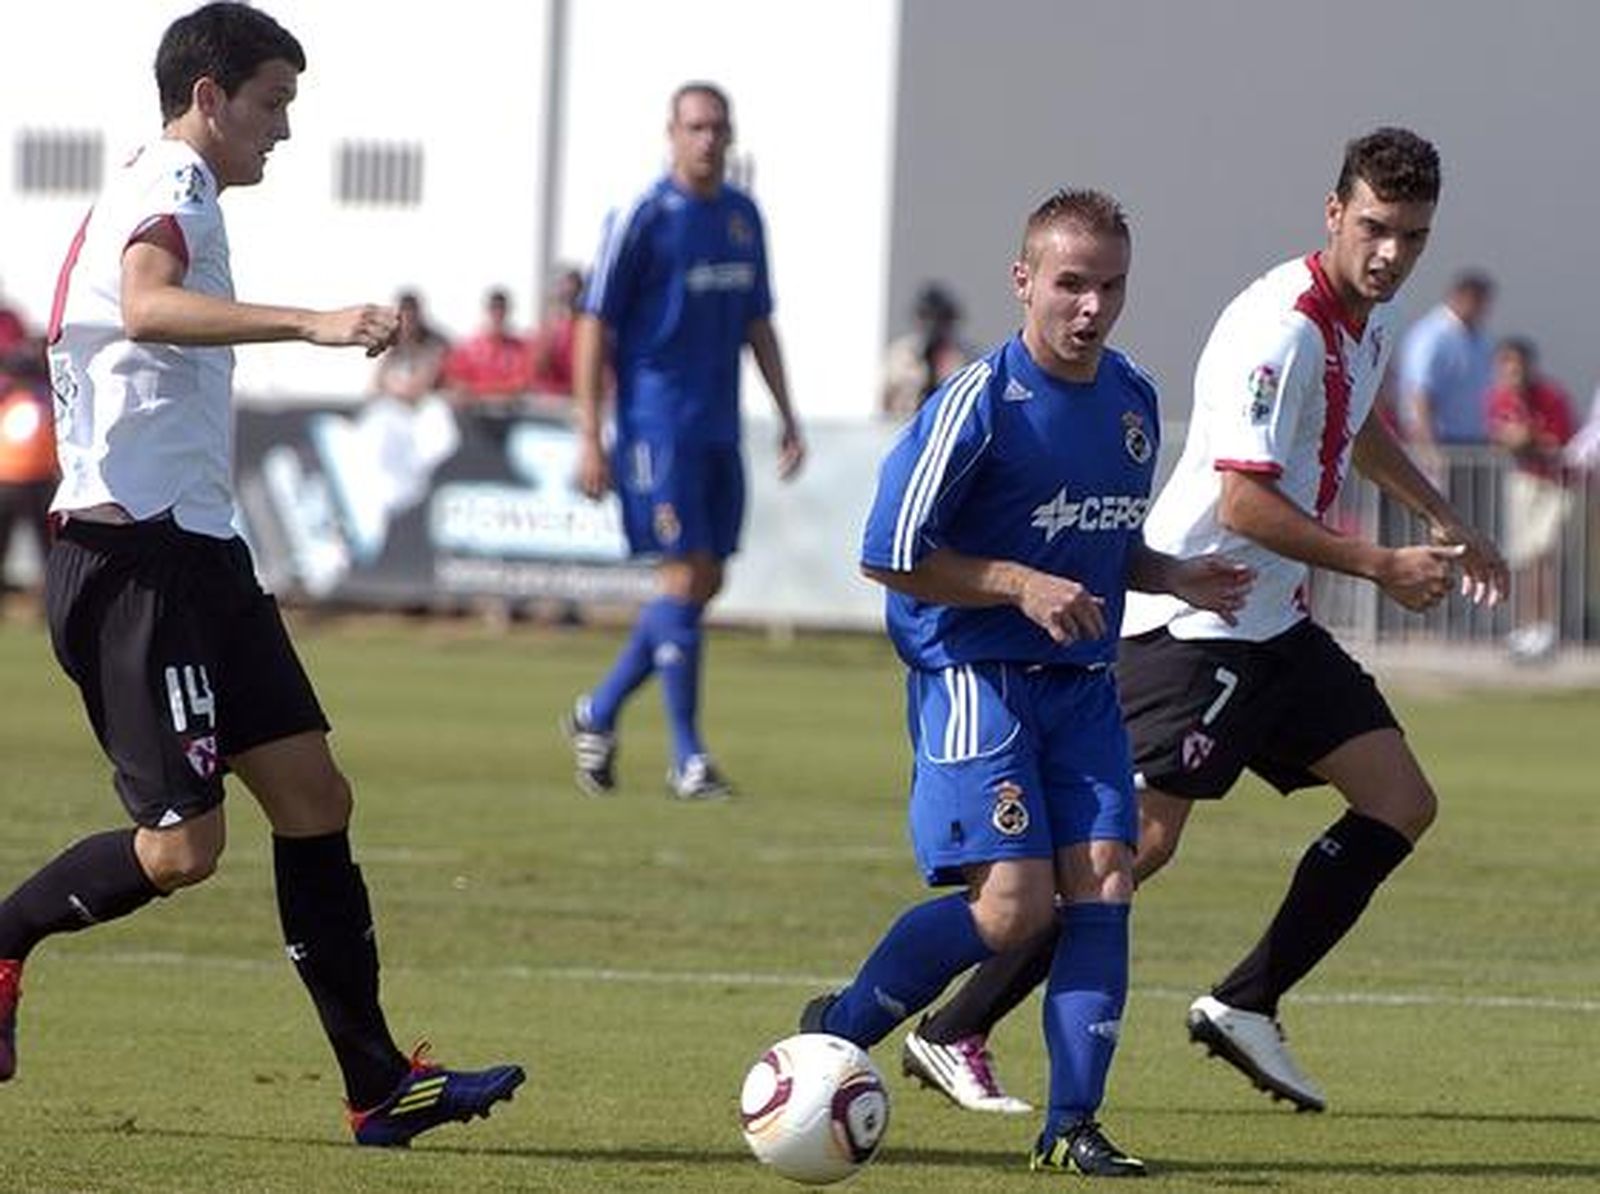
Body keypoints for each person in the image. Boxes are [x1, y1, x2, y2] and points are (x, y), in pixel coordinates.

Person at [903, 128, 1507, 1120]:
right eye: (1373, 228)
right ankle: (953, 1027)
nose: (1390, 252)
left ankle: (1245, 1001)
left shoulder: (1365, 320)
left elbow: (1352, 427)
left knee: (1398, 798)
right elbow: (1240, 507)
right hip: (1196, 618)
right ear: (1332, 214)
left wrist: (1444, 520)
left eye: (1411, 235)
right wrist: (1380, 565)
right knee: (1129, 847)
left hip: (1269, 623)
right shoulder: (1280, 326)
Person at [0, 2, 523, 1146]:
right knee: (186, 851)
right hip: (132, 559)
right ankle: (2, 939)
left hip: (198, 552)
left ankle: (379, 1086)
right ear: (208, 97)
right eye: (272, 103)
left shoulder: (173, 185)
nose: (281, 131)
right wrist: (315, 323)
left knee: (314, 800)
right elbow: (146, 302)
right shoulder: (173, 181)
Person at [799, 188, 1252, 1178]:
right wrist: (1014, 584)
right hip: (974, 673)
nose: (1091, 306)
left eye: (1111, 286)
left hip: (1080, 684)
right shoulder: (976, 402)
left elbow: (1093, 540)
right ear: (1023, 282)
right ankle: (834, 1030)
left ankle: (1071, 1125)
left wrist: (1170, 574)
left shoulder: (1130, 400)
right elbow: (887, 554)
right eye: (1071, 283)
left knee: (1104, 881)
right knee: (1012, 909)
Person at [563, 81, 804, 800]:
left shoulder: (741, 216)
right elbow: (592, 324)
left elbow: (758, 322)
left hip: (719, 427)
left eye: (718, 128)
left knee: (706, 580)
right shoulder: (643, 216)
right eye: (695, 127)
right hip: (655, 426)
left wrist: (788, 412)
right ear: (670, 133)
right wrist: (590, 435)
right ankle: (687, 758)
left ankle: (598, 710)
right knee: (680, 578)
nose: (707, 140)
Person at [1485, 337, 1576, 661]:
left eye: (1517, 364)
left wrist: (1528, 438)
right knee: (1523, 558)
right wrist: (1517, 439)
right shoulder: (1499, 398)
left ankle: (1546, 627)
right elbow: (1499, 437)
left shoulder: (1551, 396)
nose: (1512, 371)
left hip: (1553, 484)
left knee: (1545, 555)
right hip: (1522, 481)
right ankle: (1525, 627)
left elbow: (1560, 440)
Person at [1398, 269, 1495, 484]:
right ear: (1459, 297)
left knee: (1470, 512)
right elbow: (1419, 392)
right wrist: (1428, 448)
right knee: (1436, 510)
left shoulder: (1479, 338)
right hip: (1440, 443)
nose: (1483, 309)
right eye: (1477, 301)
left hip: (1473, 444)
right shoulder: (1432, 336)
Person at [0, 350, 57, 607]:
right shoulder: (13, 401)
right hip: (12, 482)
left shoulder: (40, 401)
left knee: (47, 548)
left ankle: (49, 601)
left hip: (33, 481)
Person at [880, 282, 968, 420]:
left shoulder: (964, 359)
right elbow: (885, 401)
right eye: (927, 317)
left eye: (940, 318)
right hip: (904, 429)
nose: (933, 325)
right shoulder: (900, 355)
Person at [442, 287, 533, 407]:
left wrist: (477, 391)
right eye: (494, 308)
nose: (497, 314)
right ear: (486, 311)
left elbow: (521, 384)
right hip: (474, 415)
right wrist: (494, 393)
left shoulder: (520, 348)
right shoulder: (468, 347)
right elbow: (456, 383)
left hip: (510, 415)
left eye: (502, 309)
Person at [370, 289, 449, 404]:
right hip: (394, 400)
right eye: (404, 315)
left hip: (428, 400)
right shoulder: (391, 342)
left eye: (411, 315)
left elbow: (429, 378)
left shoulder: (436, 342)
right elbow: (377, 381)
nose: (408, 321)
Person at [527, 266, 585, 398]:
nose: (570, 296)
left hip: (578, 397)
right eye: (566, 292)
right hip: (552, 399)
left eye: (575, 292)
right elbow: (538, 369)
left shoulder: (588, 329)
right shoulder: (547, 328)